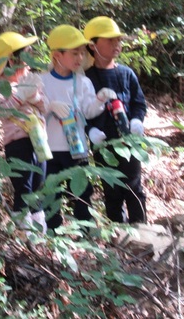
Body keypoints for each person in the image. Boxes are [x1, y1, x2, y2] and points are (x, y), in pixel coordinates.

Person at [40, 25, 116, 229]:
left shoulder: (83, 82)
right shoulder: (42, 81)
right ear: (57, 55)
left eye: (82, 53)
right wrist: (49, 106)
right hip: (50, 148)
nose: (80, 58)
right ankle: (53, 233)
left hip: (77, 149)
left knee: (81, 193)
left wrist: (100, 100)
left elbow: (89, 111)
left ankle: (85, 229)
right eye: (74, 53)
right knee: (51, 192)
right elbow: (35, 109)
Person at [84, 16, 148, 223]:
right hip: (104, 146)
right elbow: (81, 110)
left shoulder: (126, 74)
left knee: (134, 187)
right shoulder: (86, 78)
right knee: (112, 191)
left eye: (118, 40)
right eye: (110, 40)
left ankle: (142, 232)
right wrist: (91, 130)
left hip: (129, 143)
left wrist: (137, 120)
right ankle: (117, 237)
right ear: (93, 45)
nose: (116, 45)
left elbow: (139, 103)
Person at [0, 31, 48, 233]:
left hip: (38, 139)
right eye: (24, 56)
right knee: (24, 185)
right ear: (12, 59)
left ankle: (39, 228)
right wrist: (20, 96)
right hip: (18, 142)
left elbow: (46, 106)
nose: (28, 61)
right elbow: (0, 110)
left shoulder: (31, 81)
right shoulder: (0, 84)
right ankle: (23, 230)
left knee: (39, 183)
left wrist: (36, 98)